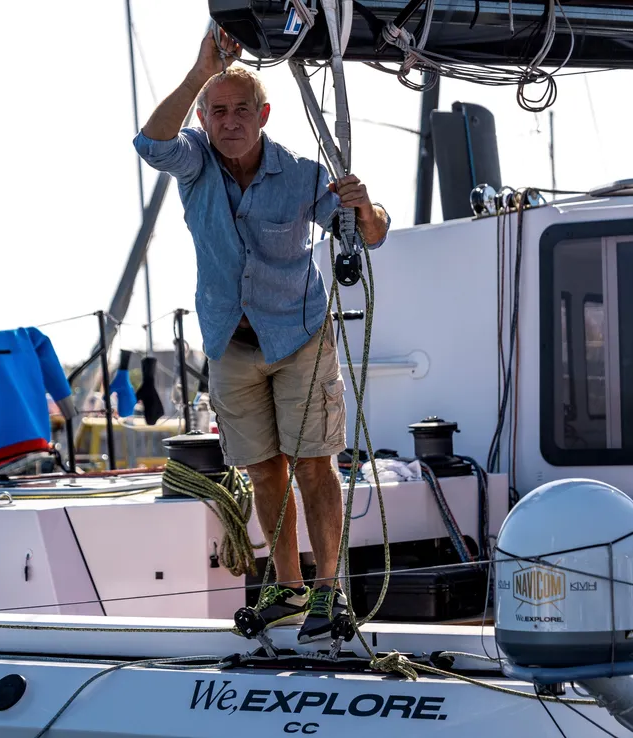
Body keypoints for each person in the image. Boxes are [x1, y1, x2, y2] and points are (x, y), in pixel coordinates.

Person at [133, 29, 390, 643]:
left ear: (262, 116)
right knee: (263, 473)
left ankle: (329, 593)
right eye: (217, 111)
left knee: (313, 466)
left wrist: (365, 205)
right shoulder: (193, 165)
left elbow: (371, 234)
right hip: (229, 344)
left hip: (298, 337)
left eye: (240, 110)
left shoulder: (302, 176)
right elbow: (150, 142)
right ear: (204, 116)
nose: (229, 122)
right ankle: (287, 589)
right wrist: (202, 70)